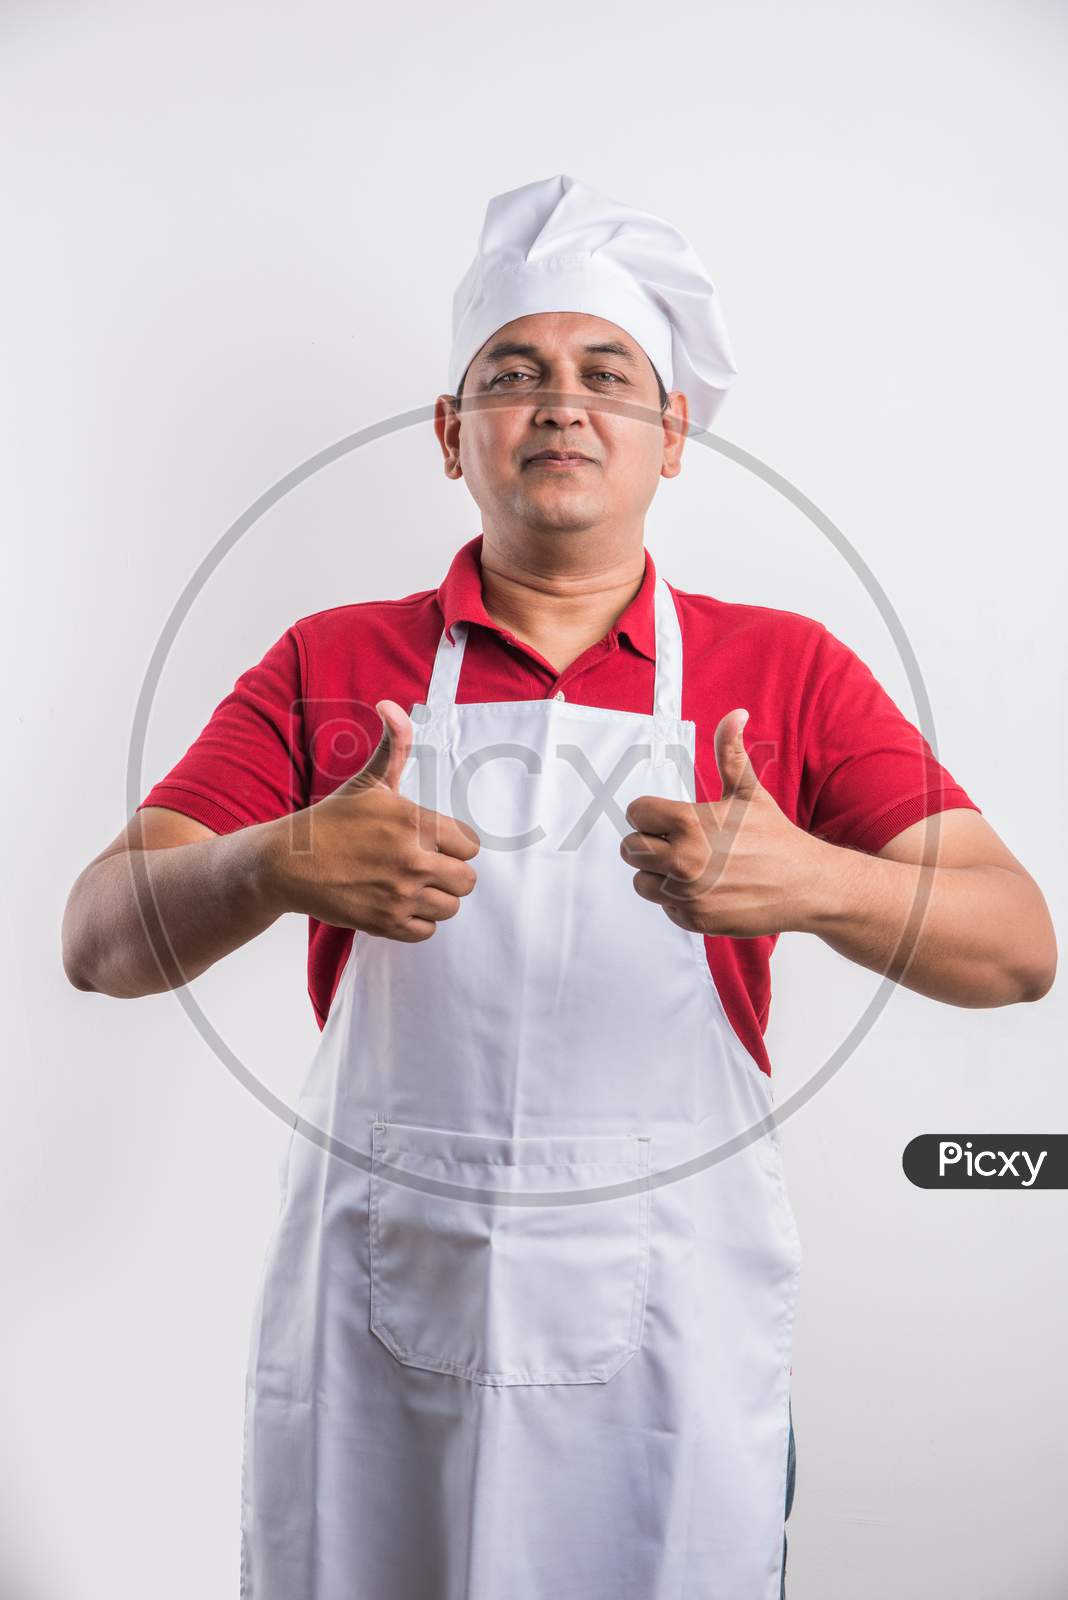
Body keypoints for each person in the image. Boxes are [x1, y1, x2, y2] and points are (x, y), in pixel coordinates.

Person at [62, 175, 1056, 1600]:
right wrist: (272, 860)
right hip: (382, 1317)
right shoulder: (327, 662)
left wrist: (819, 881)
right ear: (452, 435)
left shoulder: (784, 671)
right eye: (513, 373)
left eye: (609, 375)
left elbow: (1019, 946)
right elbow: (100, 940)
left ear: (673, 439)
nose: (562, 405)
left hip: (667, 1328)